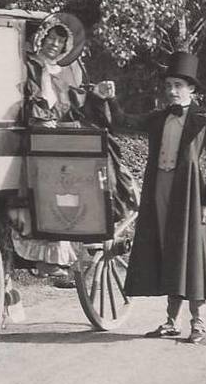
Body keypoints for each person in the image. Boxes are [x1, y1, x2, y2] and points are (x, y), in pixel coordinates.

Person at [94, 52, 206, 345]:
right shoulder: (159, 118)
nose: (172, 91)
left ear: (192, 89)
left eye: (179, 85)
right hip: (159, 191)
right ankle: (171, 321)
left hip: (189, 194)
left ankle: (199, 322)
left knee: (191, 255)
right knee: (168, 250)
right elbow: (122, 122)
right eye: (169, 85)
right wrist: (109, 99)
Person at [13, 14, 139, 279]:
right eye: (50, 38)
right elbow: (23, 99)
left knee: (97, 151)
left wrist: (97, 94)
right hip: (31, 136)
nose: (54, 45)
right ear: (40, 38)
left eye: (60, 41)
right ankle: (45, 250)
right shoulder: (26, 67)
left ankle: (89, 223)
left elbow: (75, 105)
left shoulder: (64, 74)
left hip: (58, 136)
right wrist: (37, 117)